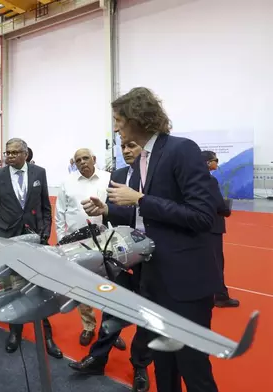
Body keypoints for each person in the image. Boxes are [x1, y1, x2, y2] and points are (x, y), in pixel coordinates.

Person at [82, 87, 220, 392]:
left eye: (118, 119)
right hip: (154, 281)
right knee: (163, 367)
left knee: (194, 368)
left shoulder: (181, 150)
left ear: (137, 118)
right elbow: (148, 220)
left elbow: (201, 216)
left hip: (185, 285)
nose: (116, 126)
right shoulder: (144, 159)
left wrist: (142, 199)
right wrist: (109, 210)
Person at [69, 140, 151, 392]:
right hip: (122, 250)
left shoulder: (155, 174)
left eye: (132, 145)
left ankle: (140, 366)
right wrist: (105, 212)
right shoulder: (117, 175)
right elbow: (112, 212)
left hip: (151, 253)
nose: (126, 150)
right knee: (112, 305)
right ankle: (99, 357)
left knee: (145, 314)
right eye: (123, 146)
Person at [0, 137, 62, 359]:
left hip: (34, 238)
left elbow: (45, 207)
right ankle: (15, 333)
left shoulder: (39, 173)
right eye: (7, 153)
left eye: (13, 153)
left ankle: (47, 335)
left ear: (25, 154)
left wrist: (44, 233)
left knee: (40, 285)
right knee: (13, 287)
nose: (8, 156)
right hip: (8, 238)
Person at [56, 148, 116, 347]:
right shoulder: (67, 183)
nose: (82, 162)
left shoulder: (109, 179)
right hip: (77, 243)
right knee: (81, 286)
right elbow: (60, 214)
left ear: (94, 159)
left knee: (110, 285)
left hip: (106, 240)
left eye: (85, 158)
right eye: (78, 160)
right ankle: (88, 326)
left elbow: (117, 208)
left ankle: (110, 328)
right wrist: (63, 241)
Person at [201, 150, 239, 308]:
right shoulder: (209, 181)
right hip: (212, 225)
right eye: (215, 159)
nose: (217, 162)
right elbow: (219, 205)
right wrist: (226, 210)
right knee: (216, 262)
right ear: (209, 163)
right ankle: (221, 296)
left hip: (197, 224)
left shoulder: (190, 179)